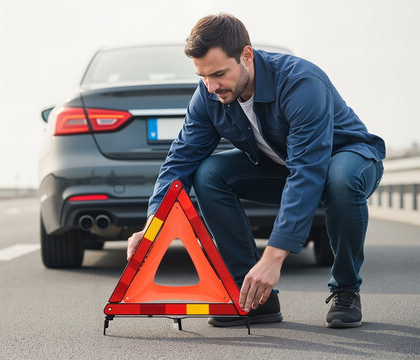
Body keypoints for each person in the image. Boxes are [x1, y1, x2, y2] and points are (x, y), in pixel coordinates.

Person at [126, 13, 385, 328]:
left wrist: (273, 258)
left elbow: (307, 171)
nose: (211, 86)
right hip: (283, 166)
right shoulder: (208, 95)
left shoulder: (300, 83)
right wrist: (154, 224)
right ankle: (253, 296)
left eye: (219, 74)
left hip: (346, 156)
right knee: (209, 172)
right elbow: (181, 158)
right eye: (203, 76)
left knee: (339, 180)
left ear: (246, 56)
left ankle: (346, 289)